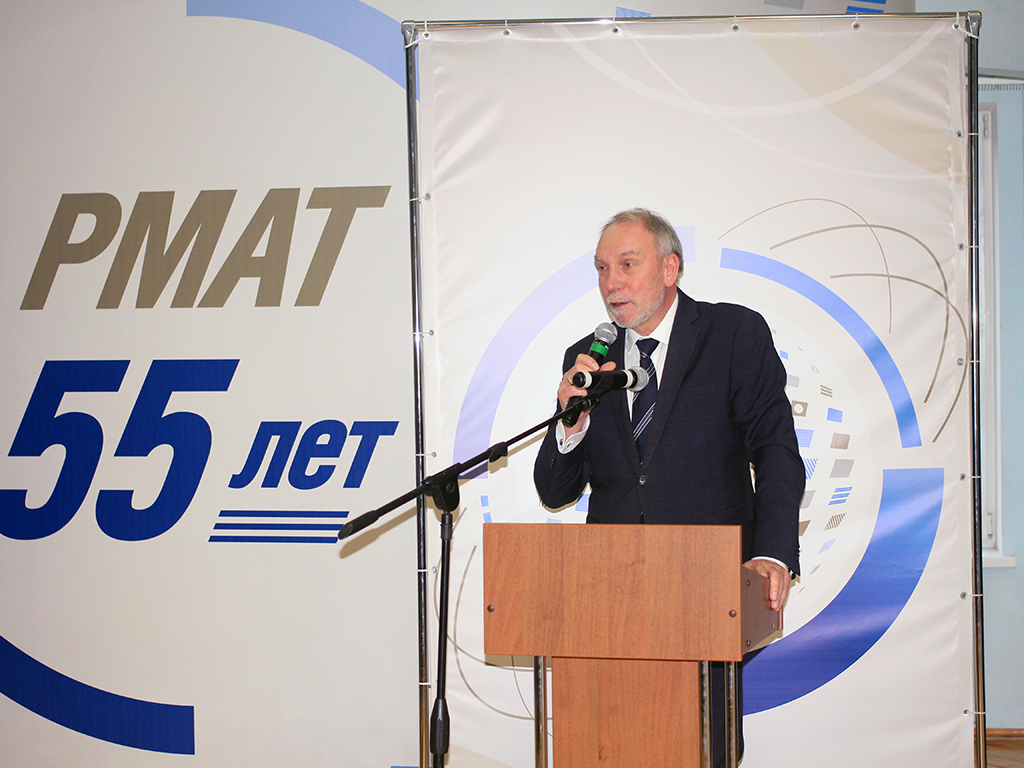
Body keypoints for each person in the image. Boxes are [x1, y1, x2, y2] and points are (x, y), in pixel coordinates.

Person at [533, 208, 804, 766]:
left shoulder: (733, 335)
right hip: (608, 596)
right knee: (610, 746)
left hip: (707, 590)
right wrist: (571, 421)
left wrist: (772, 552)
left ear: (670, 268)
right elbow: (555, 490)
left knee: (705, 748)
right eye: (602, 268)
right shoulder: (588, 361)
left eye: (627, 264)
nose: (611, 283)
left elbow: (775, 449)